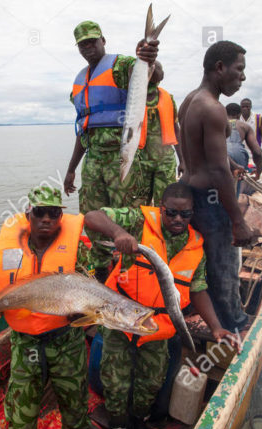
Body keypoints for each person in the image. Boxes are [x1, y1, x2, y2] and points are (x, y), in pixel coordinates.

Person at [84, 182, 241, 429]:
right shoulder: (139, 220)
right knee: (116, 384)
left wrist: (216, 327)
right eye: (171, 213)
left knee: (150, 385)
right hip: (120, 321)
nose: (178, 219)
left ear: (192, 213)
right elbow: (91, 217)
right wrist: (119, 232)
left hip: (157, 328)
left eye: (186, 214)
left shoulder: (196, 245)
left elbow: (198, 288)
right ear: (162, 209)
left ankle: (136, 423)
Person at [0, 186, 90, 429]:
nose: (46, 219)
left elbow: (89, 286)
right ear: (29, 215)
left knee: (74, 399)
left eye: (53, 213)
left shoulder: (76, 250)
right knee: (21, 412)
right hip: (25, 342)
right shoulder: (10, 247)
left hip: (66, 339)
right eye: (40, 212)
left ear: (61, 217)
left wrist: (80, 309)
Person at [63, 20, 159, 283]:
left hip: (122, 155)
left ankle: (131, 273)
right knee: (91, 217)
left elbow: (153, 75)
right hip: (93, 159)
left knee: (127, 215)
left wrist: (150, 59)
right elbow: (83, 132)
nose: (88, 48)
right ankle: (101, 271)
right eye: (82, 44)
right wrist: (71, 169)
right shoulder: (79, 81)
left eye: (92, 42)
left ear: (103, 40)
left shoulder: (121, 65)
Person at [178, 40, 254, 333]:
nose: (243, 77)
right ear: (219, 67)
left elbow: (197, 151)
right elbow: (218, 170)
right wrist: (237, 221)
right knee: (223, 268)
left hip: (190, 192)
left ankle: (195, 311)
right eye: (239, 69)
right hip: (211, 201)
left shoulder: (189, 100)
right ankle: (234, 324)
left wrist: (230, 165)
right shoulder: (214, 108)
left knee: (198, 260)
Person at [132, 60, 182, 204]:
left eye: (156, 68)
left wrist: (182, 160)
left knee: (165, 202)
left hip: (165, 160)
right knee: (140, 204)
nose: (153, 70)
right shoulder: (133, 98)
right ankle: (143, 227)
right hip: (140, 160)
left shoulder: (168, 98)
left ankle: (162, 227)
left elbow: (176, 130)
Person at [225, 102, 262, 195]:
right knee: (234, 190)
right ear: (239, 114)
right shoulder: (245, 126)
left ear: (225, 113)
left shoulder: (215, 125)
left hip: (219, 155)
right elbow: (257, 152)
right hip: (238, 156)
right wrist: (258, 173)